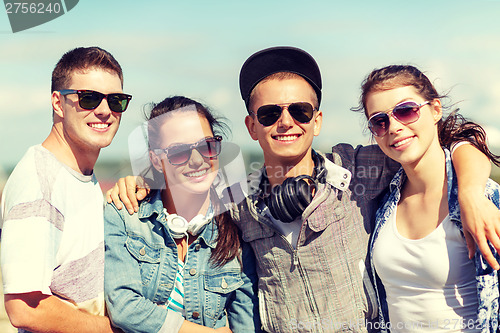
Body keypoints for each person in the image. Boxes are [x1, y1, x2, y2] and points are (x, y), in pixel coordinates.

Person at [107, 47, 499, 333]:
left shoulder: (359, 168)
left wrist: (471, 190)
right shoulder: (237, 199)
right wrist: (140, 182)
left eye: (300, 111)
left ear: (318, 120)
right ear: (251, 127)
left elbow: (446, 137)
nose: (285, 122)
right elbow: (184, 181)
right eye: (269, 113)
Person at [355, 65, 500, 332]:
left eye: (406, 111)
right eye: (380, 121)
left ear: (435, 110)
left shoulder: (481, 198)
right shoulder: (382, 199)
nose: (395, 127)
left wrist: (469, 192)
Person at [0, 46, 132, 333]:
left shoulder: (78, 175)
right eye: (89, 98)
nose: (105, 111)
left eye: (117, 101)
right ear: (58, 103)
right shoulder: (40, 182)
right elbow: (24, 308)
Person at [104, 96, 261, 333]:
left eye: (206, 146)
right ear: (157, 160)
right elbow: (124, 307)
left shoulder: (239, 225)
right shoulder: (126, 216)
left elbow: (246, 325)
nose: (197, 161)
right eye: (179, 152)